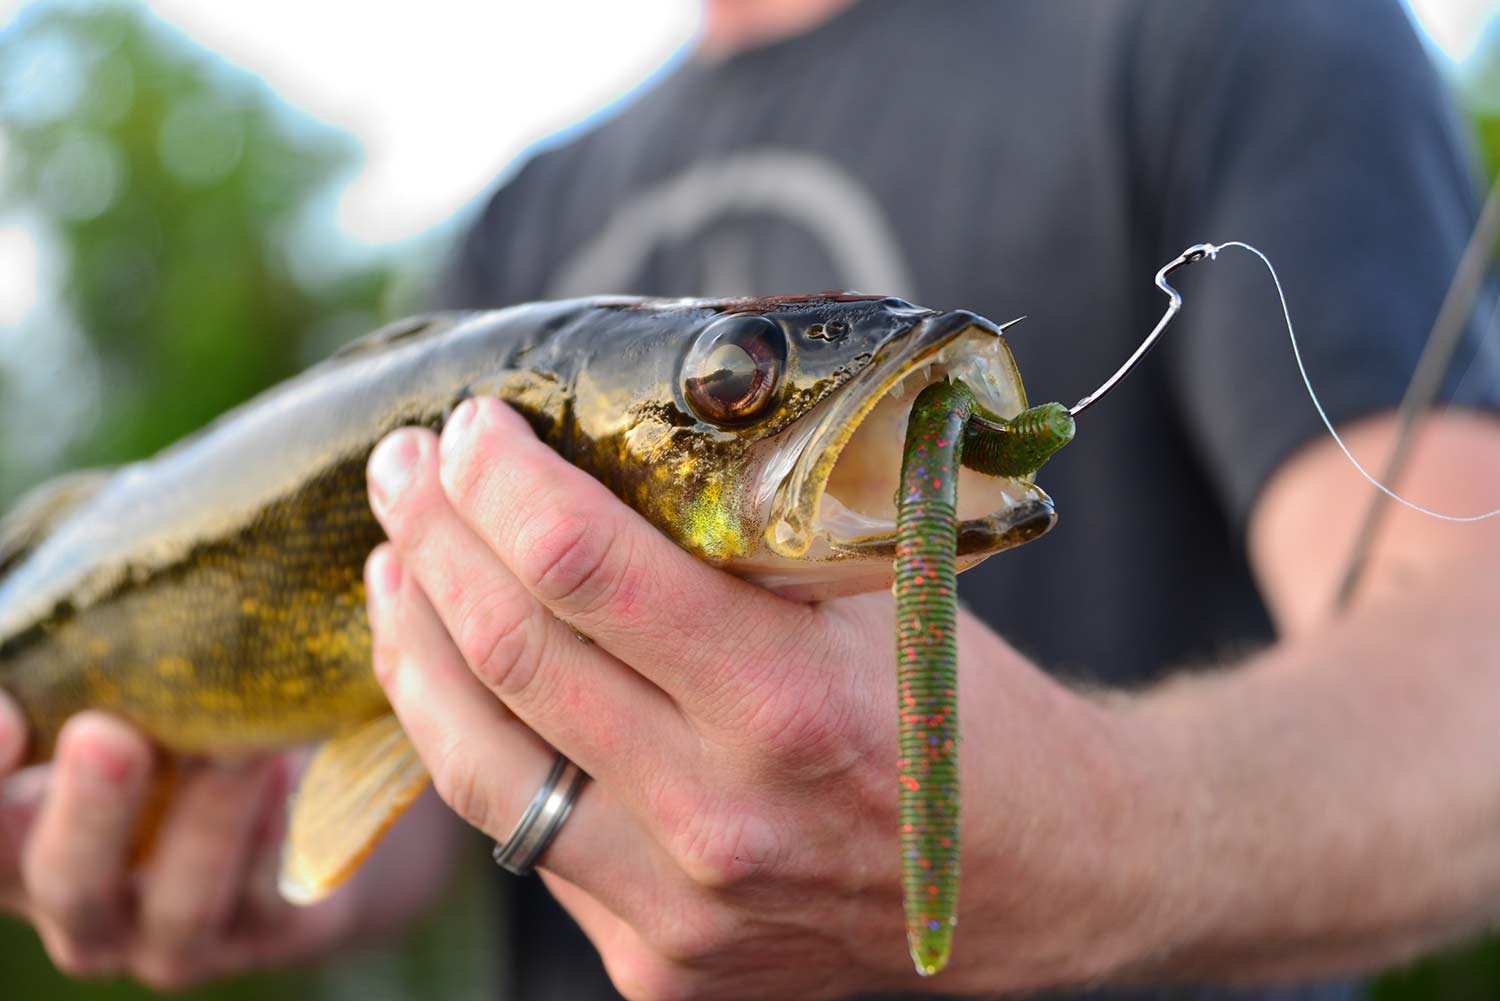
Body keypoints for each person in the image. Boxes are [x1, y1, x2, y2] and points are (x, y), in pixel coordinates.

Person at [4, 1, 1500, 998]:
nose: (753, 394)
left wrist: (1092, 837)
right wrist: (262, 866)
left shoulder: (1242, 32)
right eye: (735, 380)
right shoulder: (530, 201)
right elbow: (418, 771)